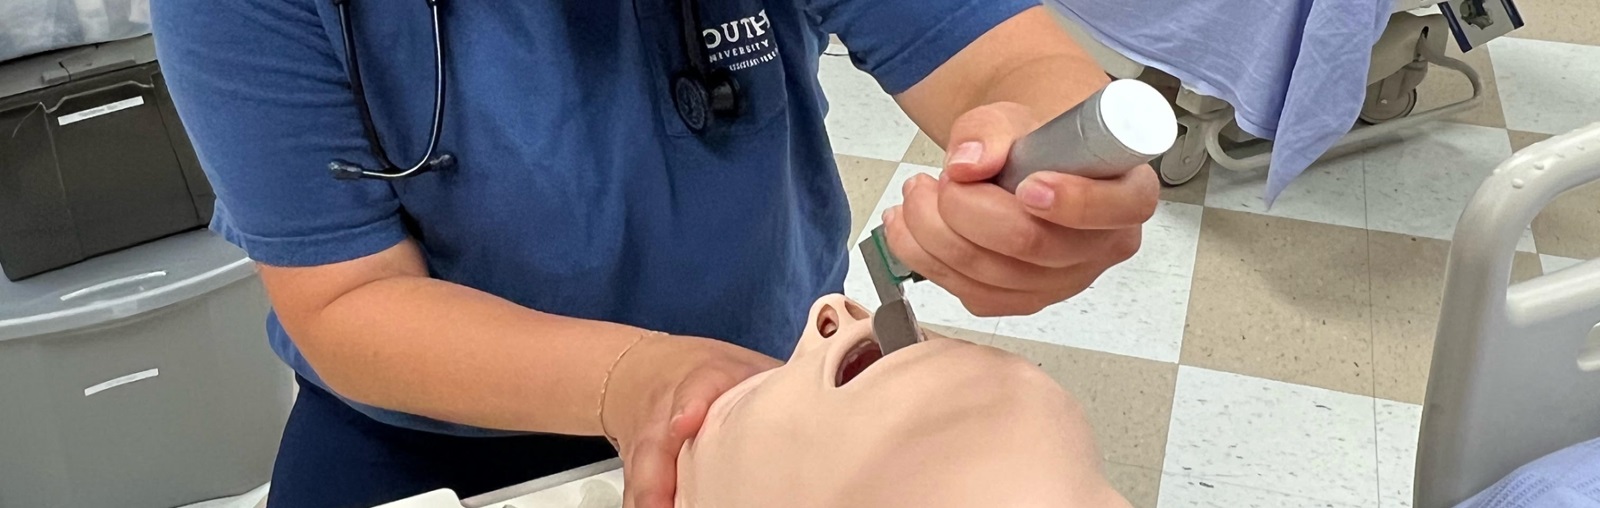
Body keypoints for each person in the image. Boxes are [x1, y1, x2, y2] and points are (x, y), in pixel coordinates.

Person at [150, 0, 1158, 506]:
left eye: (863, 377)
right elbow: (348, 301)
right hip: (419, 425)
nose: (843, 317)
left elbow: (1006, 53)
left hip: (733, 380)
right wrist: (636, 377)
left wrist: (1048, 150)